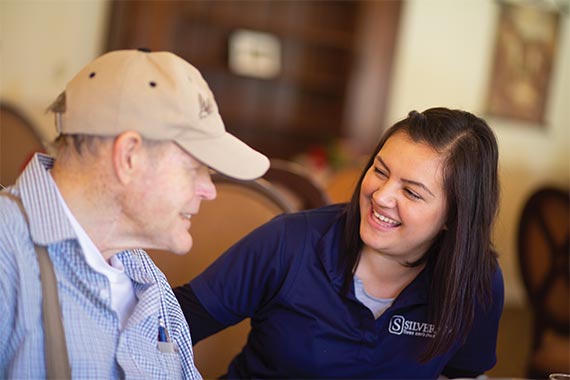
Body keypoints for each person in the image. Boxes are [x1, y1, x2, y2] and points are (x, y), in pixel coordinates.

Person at [175, 107, 505, 379]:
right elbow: (168, 325)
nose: (381, 195)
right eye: (380, 170)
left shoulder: (475, 280)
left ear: (454, 217)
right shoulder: (290, 242)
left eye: (411, 192)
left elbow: (462, 374)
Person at [0, 49, 269, 379]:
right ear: (129, 156)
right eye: (195, 167)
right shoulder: (7, 256)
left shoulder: (146, 280)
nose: (209, 189)